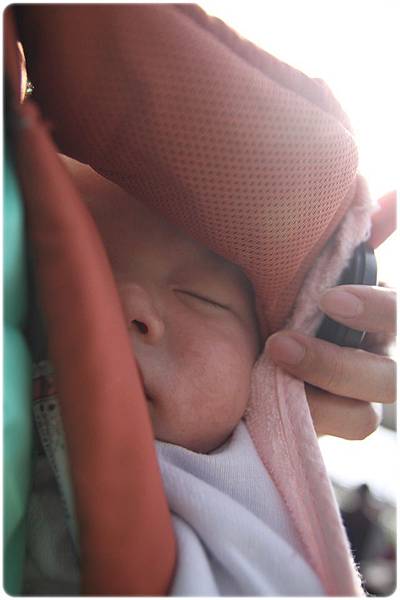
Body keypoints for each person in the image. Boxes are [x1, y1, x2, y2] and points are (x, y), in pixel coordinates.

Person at [9, 4, 395, 596]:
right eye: (92, 267)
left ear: (264, 384)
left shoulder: (242, 528)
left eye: (200, 297)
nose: (126, 304)